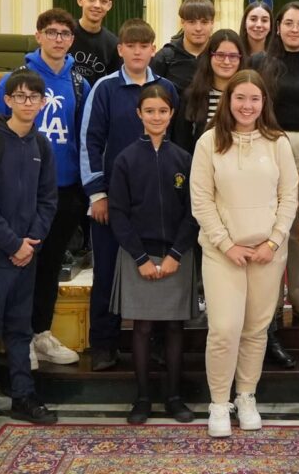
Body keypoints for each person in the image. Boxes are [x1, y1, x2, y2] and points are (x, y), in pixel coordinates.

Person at [190, 70, 298, 438]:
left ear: (263, 102)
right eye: (240, 98)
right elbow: (201, 200)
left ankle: (246, 395)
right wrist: (226, 243)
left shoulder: (277, 142)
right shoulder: (209, 143)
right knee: (224, 329)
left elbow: (289, 197)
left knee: (255, 330)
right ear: (228, 101)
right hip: (224, 253)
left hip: (267, 253)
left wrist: (273, 241)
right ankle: (219, 403)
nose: (247, 105)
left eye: (254, 99)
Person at [0, 8, 91, 370]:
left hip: (62, 190)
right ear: (38, 36)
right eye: (52, 32)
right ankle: (18, 338)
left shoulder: (80, 83)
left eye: (65, 33)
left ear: (72, 40)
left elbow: (84, 137)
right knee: (20, 264)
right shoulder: (15, 80)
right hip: (19, 191)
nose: (58, 38)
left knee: (48, 266)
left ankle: (40, 333)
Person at [0, 69, 59, 435]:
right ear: (7, 100)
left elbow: (48, 200)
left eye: (34, 97)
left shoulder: (41, 145)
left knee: (20, 330)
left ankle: (23, 394)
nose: (27, 103)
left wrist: (30, 241)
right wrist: (12, 243)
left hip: (26, 254)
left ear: (43, 102)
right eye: (20, 96)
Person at [81, 18, 180, 371]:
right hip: (113, 199)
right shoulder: (104, 88)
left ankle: (153, 342)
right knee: (106, 271)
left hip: (157, 199)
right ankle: (104, 344)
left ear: (153, 50)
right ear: (120, 49)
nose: (138, 52)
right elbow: (90, 141)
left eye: (144, 46)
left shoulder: (166, 86)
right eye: (131, 46)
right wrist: (97, 194)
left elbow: (175, 141)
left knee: (154, 268)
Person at [108, 85, 198, 425]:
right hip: (138, 255)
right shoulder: (126, 159)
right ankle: (143, 397)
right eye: (150, 111)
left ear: (171, 113)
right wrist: (141, 258)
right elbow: (118, 213)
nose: (156, 117)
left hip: (177, 253)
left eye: (162, 110)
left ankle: (174, 397)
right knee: (142, 328)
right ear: (139, 115)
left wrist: (176, 252)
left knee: (175, 327)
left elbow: (194, 211)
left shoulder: (184, 159)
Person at [253, 1, 299, 324]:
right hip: (268, 145)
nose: (294, 29)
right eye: (288, 23)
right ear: (278, 26)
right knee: (269, 222)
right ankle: (268, 298)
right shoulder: (260, 62)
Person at [172, 29, 243, 152]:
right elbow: (181, 142)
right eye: (220, 55)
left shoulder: (249, 97)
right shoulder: (192, 96)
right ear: (209, 56)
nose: (226, 62)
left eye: (233, 56)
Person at [154, 0, 215, 94]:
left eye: (204, 22)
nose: (198, 28)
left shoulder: (220, 55)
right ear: (182, 23)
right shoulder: (165, 57)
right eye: (192, 22)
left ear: (212, 23)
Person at [70, 0, 120, 85]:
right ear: (80, 1)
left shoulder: (113, 44)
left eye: (103, 1)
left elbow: (114, 84)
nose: (97, 5)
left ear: (109, 5)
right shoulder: (64, 34)